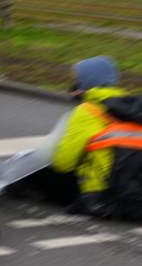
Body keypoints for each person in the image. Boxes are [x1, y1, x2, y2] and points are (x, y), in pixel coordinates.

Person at [49, 56, 142, 218]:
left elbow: (63, 163)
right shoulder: (132, 107)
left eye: (77, 79)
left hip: (103, 200)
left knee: (41, 177)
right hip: (136, 197)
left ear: (85, 82)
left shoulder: (87, 110)